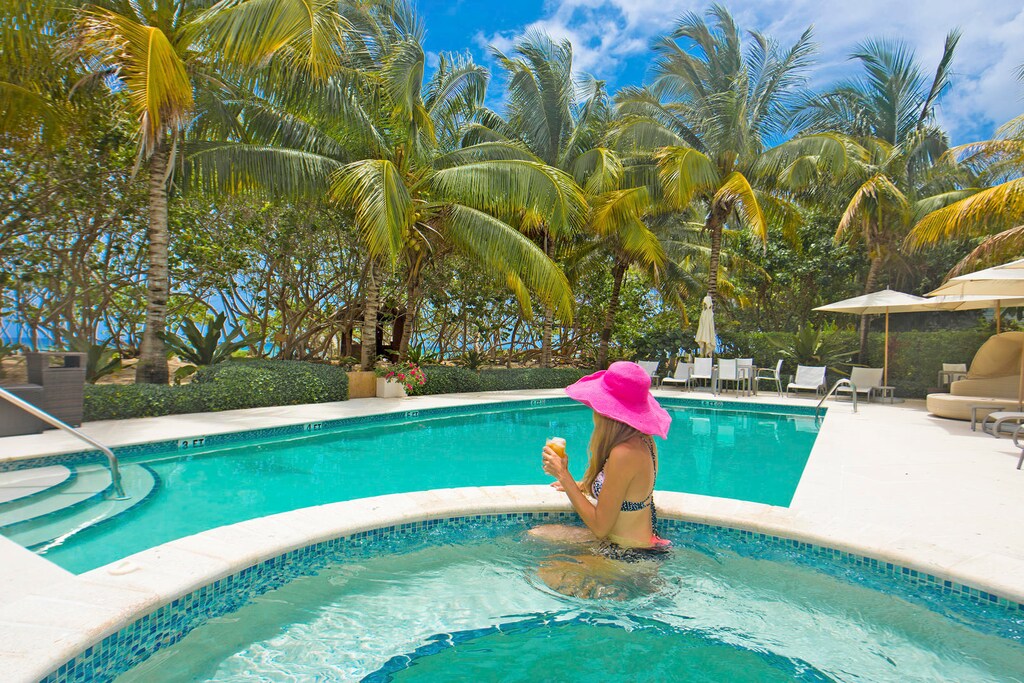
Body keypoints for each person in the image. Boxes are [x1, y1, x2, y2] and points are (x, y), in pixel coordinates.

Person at [531, 361, 672, 597]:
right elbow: (622, 492)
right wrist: (582, 486)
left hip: (629, 555)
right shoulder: (642, 439)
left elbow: (599, 526)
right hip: (627, 543)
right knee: (537, 533)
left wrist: (564, 476)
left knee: (545, 571)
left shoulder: (624, 453)